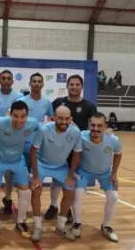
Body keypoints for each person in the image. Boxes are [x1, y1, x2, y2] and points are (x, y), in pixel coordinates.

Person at [0, 100, 39, 240]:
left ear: (27, 116)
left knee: (25, 190)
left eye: (23, 116)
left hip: (17, 159)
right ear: (10, 115)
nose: (19, 120)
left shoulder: (33, 124)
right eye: (16, 116)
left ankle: (20, 222)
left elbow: (48, 128)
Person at [49, 74, 97, 222]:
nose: (74, 87)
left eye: (77, 84)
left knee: (71, 180)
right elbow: (52, 121)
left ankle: (68, 208)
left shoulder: (89, 106)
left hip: (77, 149)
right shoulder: (58, 102)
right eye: (72, 84)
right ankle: (53, 205)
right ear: (67, 86)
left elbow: (93, 127)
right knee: (56, 179)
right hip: (59, 148)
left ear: (81, 87)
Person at [29, 106, 81, 242]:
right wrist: (35, 176)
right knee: (36, 190)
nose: (63, 121)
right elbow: (33, 152)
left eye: (66, 118)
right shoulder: (44, 129)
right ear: (53, 118)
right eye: (60, 118)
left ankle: (60, 225)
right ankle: (37, 226)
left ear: (71, 119)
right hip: (41, 164)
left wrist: (70, 176)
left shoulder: (75, 132)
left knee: (69, 191)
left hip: (60, 166)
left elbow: (76, 154)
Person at [71, 112, 122, 243]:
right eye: (93, 125)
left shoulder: (113, 140)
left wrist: (114, 173)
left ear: (105, 127)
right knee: (77, 194)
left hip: (105, 173)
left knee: (113, 197)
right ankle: (77, 223)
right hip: (84, 171)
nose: (95, 128)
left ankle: (106, 226)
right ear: (89, 125)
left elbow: (118, 154)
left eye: (100, 126)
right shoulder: (81, 137)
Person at [18, 73, 54, 220]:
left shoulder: (47, 102)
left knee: (35, 181)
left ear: (43, 84)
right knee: (23, 182)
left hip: (38, 148)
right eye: (34, 81)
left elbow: (52, 122)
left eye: (39, 81)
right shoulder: (21, 101)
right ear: (30, 83)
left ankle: (35, 212)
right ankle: (22, 213)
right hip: (22, 147)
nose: (37, 83)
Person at [0, 70, 22, 215]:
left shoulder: (19, 97)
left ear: (12, 81)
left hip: (13, 140)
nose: (6, 80)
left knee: (9, 172)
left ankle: (8, 198)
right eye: (4, 78)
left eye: (9, 78)